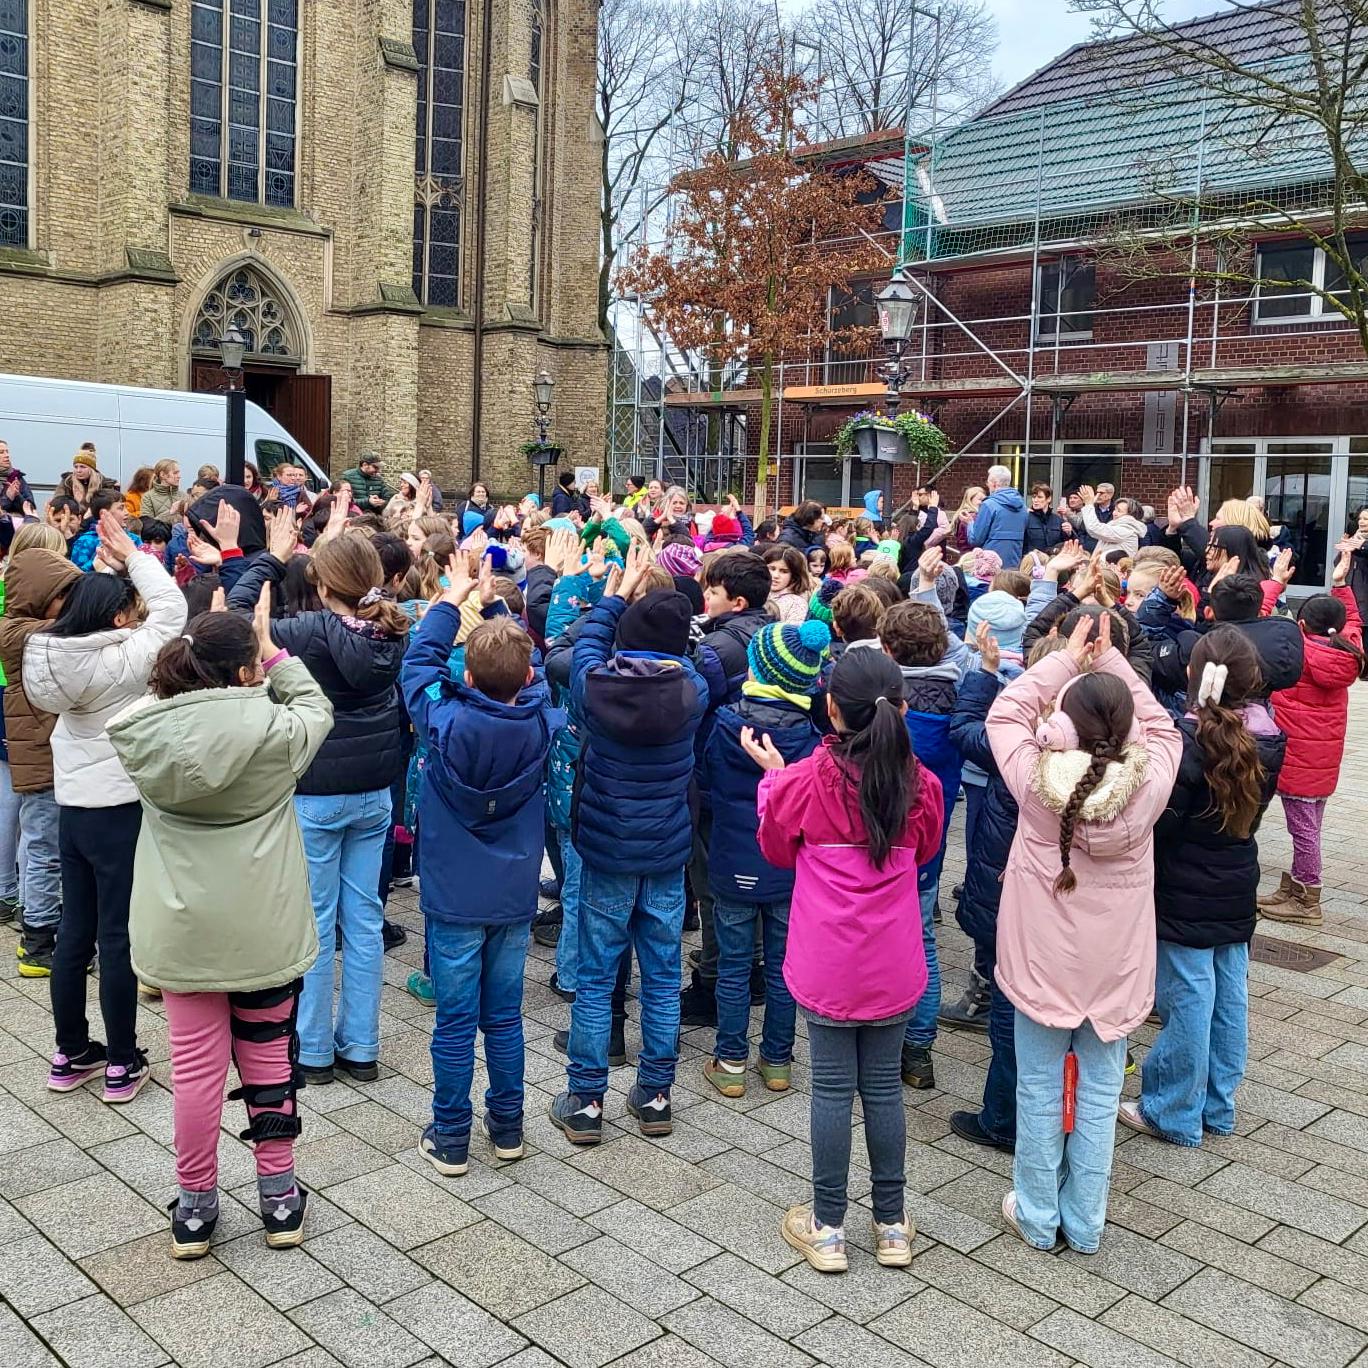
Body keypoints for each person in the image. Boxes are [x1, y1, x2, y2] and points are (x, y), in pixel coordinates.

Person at [108, 602, 330, 1256]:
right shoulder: (276, 728)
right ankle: (280, 1201)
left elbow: (138, 708)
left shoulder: (145, 736)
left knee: (197, 1073)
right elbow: (317, 707)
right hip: (264, 926)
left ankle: (197, 1210)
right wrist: (271, 654)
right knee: (269, 1061)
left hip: (183, 932)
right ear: (245, 667)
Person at [987, 613, 1180, 1253]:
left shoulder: (1037, 779)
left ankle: (1039, 1215)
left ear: (1064, 726)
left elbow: (1007, 713)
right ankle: (1087, 1222)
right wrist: (1114, 661)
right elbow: (1159, 725)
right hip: (1116, 965)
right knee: (1100, 1092)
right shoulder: (1150, 780)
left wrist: (1071, 658)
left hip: (1041, 957)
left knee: (1039, 1086)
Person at [754, 649, 944, 1273]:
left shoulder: (805, 782)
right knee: (884, 1090)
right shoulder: (923, 786)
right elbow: (924, 853)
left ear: (831, 709)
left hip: (827, 960)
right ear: (903, 709)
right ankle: (892, 1225)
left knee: (832, 1091)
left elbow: (777, 848)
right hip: (893, 959)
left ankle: (827, 1228)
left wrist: (772, 779)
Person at [227, 509, 408, 1085]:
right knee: (364, 919)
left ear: (322, 585)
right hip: (374, 790)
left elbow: (230, 623)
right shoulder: (394, 628)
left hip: (316, 791)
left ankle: (311, 1050)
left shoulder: (307, 632)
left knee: (316, 920)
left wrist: (268, 559)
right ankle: (361, 1044)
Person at [403, 562, 560, 1176]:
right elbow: (538, 671)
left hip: (452, 893)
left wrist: (455, 598)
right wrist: (501, 612)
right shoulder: (543, 719)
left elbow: (418, 666)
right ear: (524, 678)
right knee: (504, 1016)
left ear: (464, 675)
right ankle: (509, 1126)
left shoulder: (442, 720)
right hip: (513, 891)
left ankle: (449, 1136)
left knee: (455, 1020)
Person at [24, 511, 187, 1101]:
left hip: (73, 807)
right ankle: (122, 1059)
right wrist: (138, 560)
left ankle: (70, 1052)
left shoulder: (53, 657)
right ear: (118, 616)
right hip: (119, 809)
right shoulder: (127, 657)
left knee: (75, 931)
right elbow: (171, 609)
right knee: (116, 936)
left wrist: (106, 572)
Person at [550, 548, 709, 1145]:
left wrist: (617, 594)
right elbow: (702, 662)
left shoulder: (597, 685)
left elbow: (584, 646)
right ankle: (656, 1095)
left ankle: (587, 1101)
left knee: (596, 976)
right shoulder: (692, 688)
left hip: (607, 850)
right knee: (663, 977)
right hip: (667, 853)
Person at [1119, 628, 1284, 1147]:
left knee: (1188, 996)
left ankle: (1172, 1109)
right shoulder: (1270, 737)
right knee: (1229, 992)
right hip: (1236, 879)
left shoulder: (1187, 744)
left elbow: (1164, 823)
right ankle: (1218, 1105)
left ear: (1194, 675)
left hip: (1184, 887)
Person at [702, 619, 829, 1100]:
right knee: (781, 965)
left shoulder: (724, 724)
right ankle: (777, 1060)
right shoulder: (814, 742)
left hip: (733, 860)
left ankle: (730, 1060)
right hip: (788, 869)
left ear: (756, 668)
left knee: (734, 964)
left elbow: (706, 783)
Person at [1259, 552, 1366, 928]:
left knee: (1302, 829)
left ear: (1301, 624)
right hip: (1323, 760)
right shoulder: (1349, 648)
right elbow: (1353, 620)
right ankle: (1294, 885)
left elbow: (1256, 618)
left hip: (1298, 759)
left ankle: (1308, 898)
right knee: (1310, 824)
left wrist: (1274, 583)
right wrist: (1340, 583)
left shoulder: (1297, 651)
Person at [0, 536, 81, 975]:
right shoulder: (18, 631)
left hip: (49, 754)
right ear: (37, 595)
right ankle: (37, 942)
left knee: (48, 847)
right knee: (44, 849)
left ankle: (45, 929)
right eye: (62, 595)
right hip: (40, 759)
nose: (69, 605)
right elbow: (66, 631)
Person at [968, 466, 1028, 566]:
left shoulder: (989, 505)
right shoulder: (1023, 507)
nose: (987, 486)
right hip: (1014, 564)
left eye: (988, 483)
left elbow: (976, 540)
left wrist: (970, 523)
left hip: (990, 565)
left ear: (994, 483)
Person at [1077, 487, 1147, 558]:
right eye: (1115, 509)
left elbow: (1094, 528)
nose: (1114, 513)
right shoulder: (1118, 527)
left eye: (1119, 511)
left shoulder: (1126, 530)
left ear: (1130, 516)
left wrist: (1089, 504)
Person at [1022, 483, 1066, 554]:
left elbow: (1067, 543)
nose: (1035, 500)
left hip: (1052, 562)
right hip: (1032, 561)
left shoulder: (1057, 520)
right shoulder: (1026, 517)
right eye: (1034, 497)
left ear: (1048, 499)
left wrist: (1070, 533)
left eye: (1039, 497)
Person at [0, 438, 36, 515]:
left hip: (17, 525)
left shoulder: (16, 477)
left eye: (7, 452)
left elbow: (31, 509)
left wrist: (17, 496)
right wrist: (8, 497)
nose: (7, 455)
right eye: (1, 452)